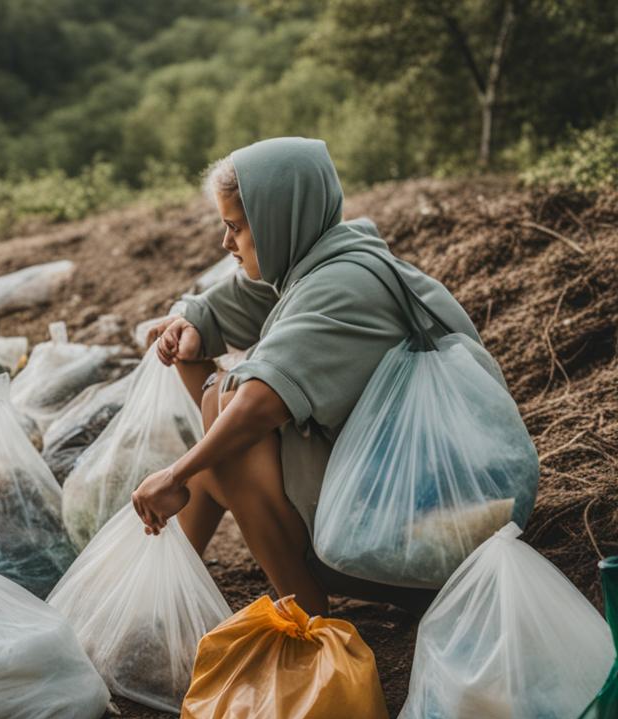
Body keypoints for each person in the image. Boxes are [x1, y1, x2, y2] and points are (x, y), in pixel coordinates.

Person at [134, 137, 480, 615]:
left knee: (228, 416)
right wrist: (190, 324)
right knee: (218, 448)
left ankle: (313, 624)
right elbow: (229, 303)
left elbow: (261, 403)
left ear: (278, 223)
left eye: (234, 227)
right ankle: (160, 602)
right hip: (410, 511)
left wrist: (175, 473)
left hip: (426, 548)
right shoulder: (323, 262)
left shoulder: (343, 286)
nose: (225, 242)